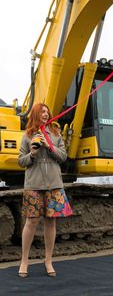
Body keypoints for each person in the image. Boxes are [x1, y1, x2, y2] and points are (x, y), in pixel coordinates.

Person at [17, 102, 73, 278]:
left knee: (51, 222)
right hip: (33, 184)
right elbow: (21, 161)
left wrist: (49, 146)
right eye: (42, 112)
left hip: (54, 184)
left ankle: (48, 260)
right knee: (31, 222)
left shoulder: (55, 134)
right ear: (35, 114)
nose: (46, 114)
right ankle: (24, 261)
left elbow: (63, 156)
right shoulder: (27, 135)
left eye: (47, 112)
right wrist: (33, 153)